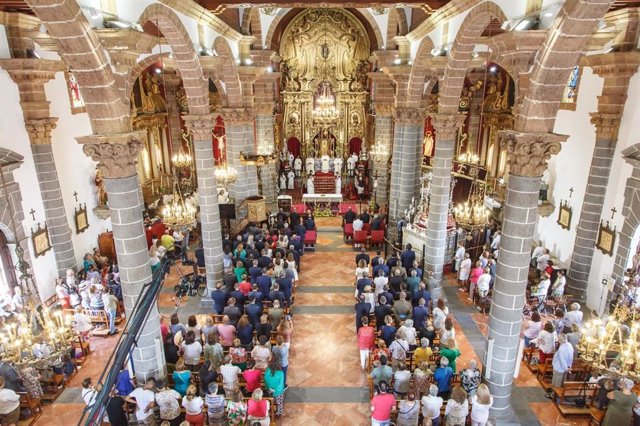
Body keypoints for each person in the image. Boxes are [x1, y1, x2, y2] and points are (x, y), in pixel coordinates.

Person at [547, 334, 574, 398]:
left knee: (557, 382)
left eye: (558, 339)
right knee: (562, 382)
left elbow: (562, 360)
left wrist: (566, 368)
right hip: (566, 367)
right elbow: (571, 356)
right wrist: (569, 366)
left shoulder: (562, 349)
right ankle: (557, 393)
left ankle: (554, 395)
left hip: (559, 368)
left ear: (560, 340)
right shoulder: (570, 345)